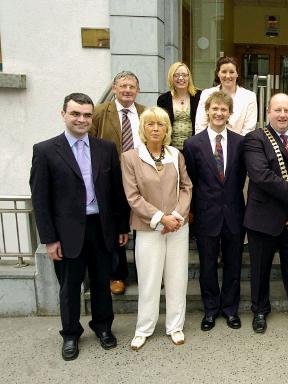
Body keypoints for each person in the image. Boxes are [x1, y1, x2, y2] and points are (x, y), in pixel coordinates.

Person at [30, 93, 130, 361]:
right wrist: (49, 240)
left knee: (101, 282)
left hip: (101, 227)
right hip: (67, 233)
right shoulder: (45, 150)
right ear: (63, 114)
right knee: (70, 287)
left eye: (87, 114)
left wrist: (122, 226)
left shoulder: (105, 148)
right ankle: (71, 334)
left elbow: (116, 192)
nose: (82, 119)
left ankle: (103, 327)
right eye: (75, 114)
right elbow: (40, 200)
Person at [121, 106, 192, 350]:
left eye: (160, 124)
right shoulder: (130, 157)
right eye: (150, 124)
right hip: (148, 227)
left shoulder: (176, 154)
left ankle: (175, 326)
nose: (155, 128)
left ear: (166, 129)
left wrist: (176, 216)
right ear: (143, 128)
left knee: (177, 278)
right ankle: (143, 329)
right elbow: (133, 197)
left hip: (177, 227)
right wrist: (162, 218)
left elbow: (186, 187)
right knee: (149, 280)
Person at [243, 93, 288, 334]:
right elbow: (261, 175)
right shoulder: (254, 139)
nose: (282, 115)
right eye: (278, 110)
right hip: (263, 218)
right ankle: (260, 311)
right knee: (260, 269)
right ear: (268, 112)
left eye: (287, 110)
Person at [183, 92, 246, 331]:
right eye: (215, 109)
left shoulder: (241, 142)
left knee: (233, 265)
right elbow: (191, 180)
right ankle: (210, 310)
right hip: (206, 214)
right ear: (207, 111)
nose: (219, 113)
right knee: (207, 266)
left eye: (224, 109)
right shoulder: (192, 144)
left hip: (234, 214)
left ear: (230, 113)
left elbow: (240, 178)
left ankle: (230, 310)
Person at [91, 70, 146, 295]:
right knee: (116, 227)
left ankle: (147, 272)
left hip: (141, 176)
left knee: (144, 224)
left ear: (137, 90)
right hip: (111, 177)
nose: (127, 90)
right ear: (114, 88)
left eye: (131, 87)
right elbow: (90, 143)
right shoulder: (100, 112)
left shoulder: (145, 113)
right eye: (123, 86)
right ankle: (117, 275)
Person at [194, 56, 257, 135]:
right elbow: (200, 126)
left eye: (231, 72)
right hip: (208, 144)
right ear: (218, 74)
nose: (228, 76)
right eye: (224, 72)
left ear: (237, 74)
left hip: (238, 145)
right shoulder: (206, 94)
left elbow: (249, 130)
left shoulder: (249, 97)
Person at [157, 62, 202, 150]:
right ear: (171, 77)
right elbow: (161, 124)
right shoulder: (163, 99)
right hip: (170, 148)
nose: (181, 78)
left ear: (189, 77)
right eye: (176, 75)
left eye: (184, 75)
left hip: (195, 148)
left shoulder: (199, 96)